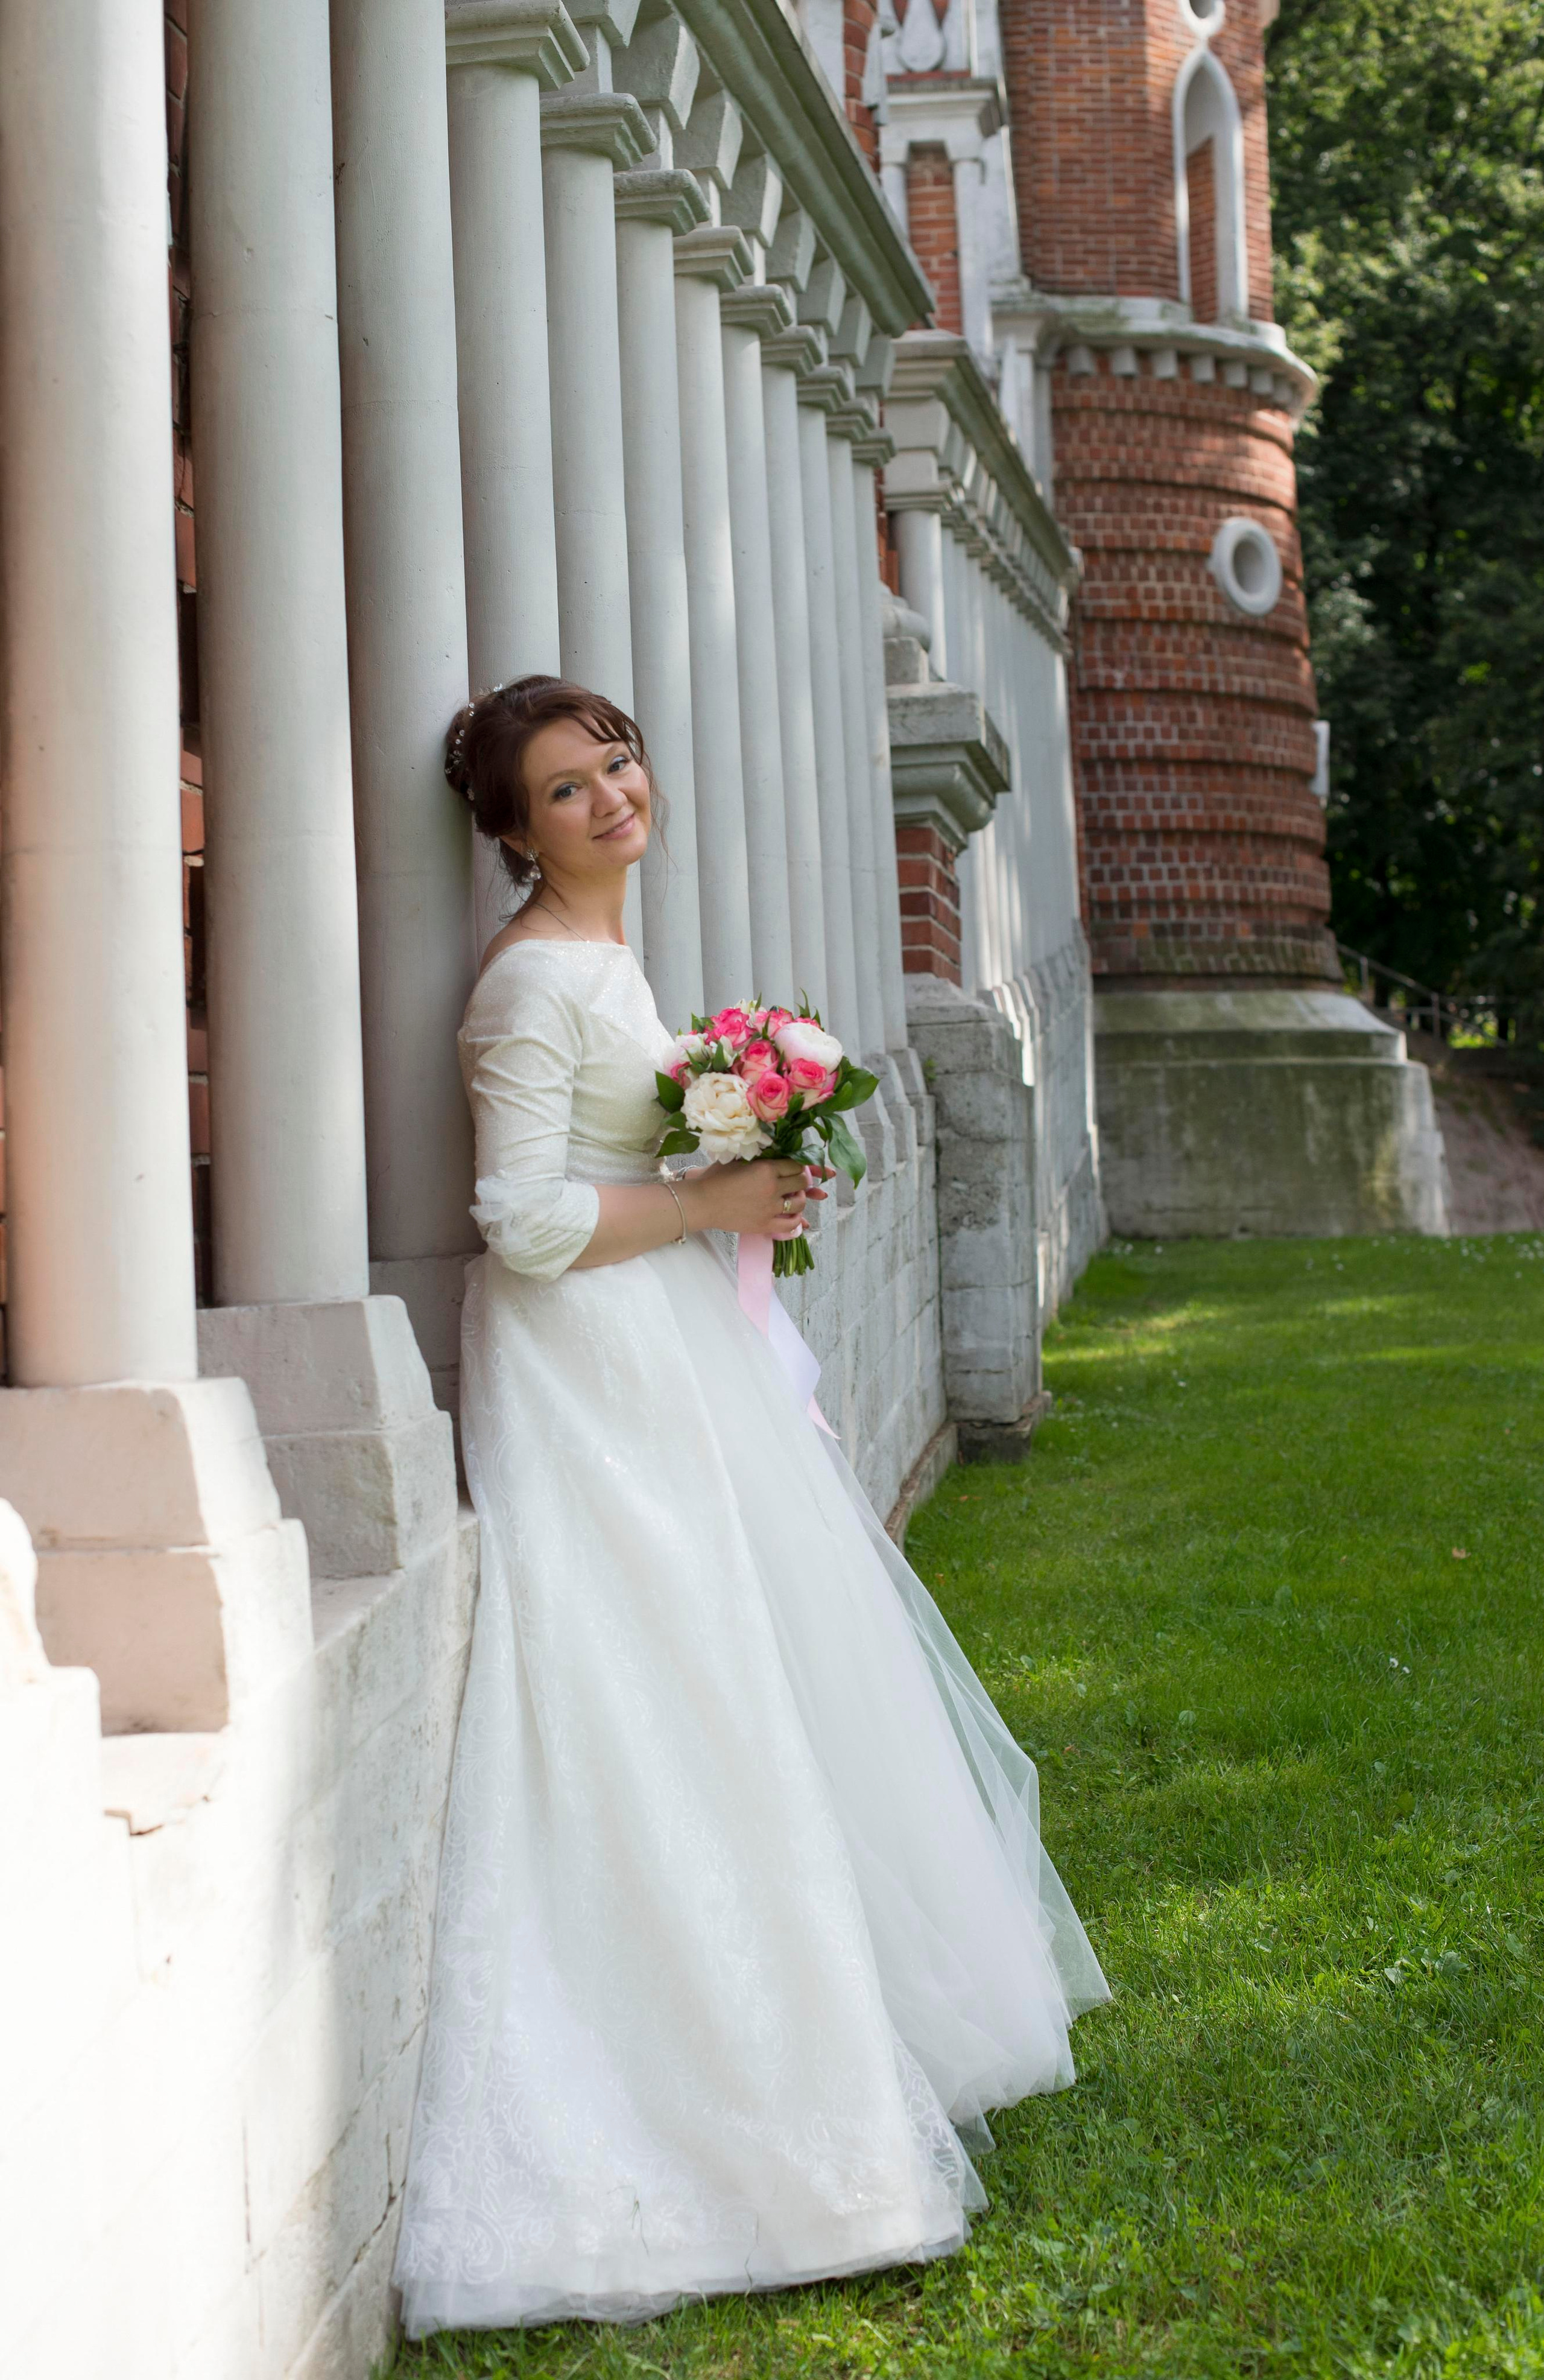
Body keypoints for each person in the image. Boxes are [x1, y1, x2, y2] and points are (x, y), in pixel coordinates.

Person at [393, 674, 1109, 2338]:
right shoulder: (531, 986)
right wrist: (708, 1190)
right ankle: (715, 2127)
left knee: (729, 1680)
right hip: (584, 1375)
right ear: (512, 830)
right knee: (664, 1698)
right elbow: (516, 1214)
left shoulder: (604, 955)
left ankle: (800, 2077)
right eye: (567, 790)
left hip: (651, 1355)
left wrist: (740, 1195)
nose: (611, 797)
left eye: (618, 760)